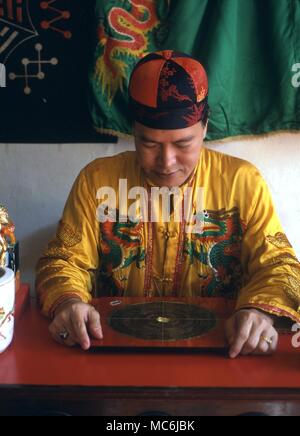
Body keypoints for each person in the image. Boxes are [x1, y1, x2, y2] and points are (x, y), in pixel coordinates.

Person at [36, 50, 300, 358]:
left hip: (222, 352)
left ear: (204, 126)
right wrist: (68, 303)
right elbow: (63, 260)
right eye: (149, 143)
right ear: (133, 131)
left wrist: (259, 311)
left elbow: (279, 265)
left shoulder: (242, 182)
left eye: (183, 143)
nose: (166, 162)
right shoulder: (97, 181)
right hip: (114, 350)